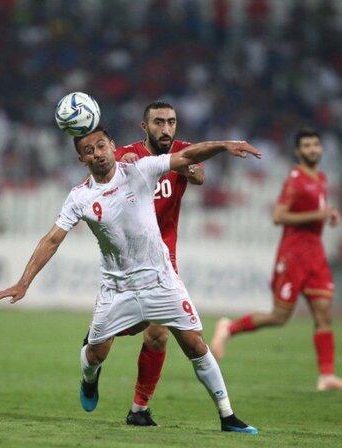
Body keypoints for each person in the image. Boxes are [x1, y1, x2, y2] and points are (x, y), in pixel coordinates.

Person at [0, 126, 260, 434]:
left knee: (195, 344)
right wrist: (23, 283)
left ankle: (227, 416)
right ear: (81, 159)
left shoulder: (140, 170)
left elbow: (187, 156)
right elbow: (52, 239)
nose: (97, 154)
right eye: (88, 151)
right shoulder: (79, 197)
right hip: (117, 289)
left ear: (112, 146)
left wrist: (224, 145)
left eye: (100, 146)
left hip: (161, 281)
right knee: (96, 354)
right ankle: (89, 379)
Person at [211, 129, 342, 392]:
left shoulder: (321, 178)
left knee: (324, 314)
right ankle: (229, 328)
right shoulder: (295, 180)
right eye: (307, 146)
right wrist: (318, 215)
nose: (312, 149)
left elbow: (318, 212)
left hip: (316, 255)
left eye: (316, 144)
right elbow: (278, 216)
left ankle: (327, 375)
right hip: (293, 255)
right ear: (298, 152)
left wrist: (328, 215)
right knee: (279, 317)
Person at [113, 101, 204, 426]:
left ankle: (139, 409)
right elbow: (101, 175)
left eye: (171, 122)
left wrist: (187, 167)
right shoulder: (127, 153)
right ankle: (104, 332)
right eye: (159, 122)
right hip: (129, 257)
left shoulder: (183, 151)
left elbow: (199, 175)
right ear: (145, 126)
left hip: (164, 257)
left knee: (159, 335)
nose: (166, 129)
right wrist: (121, 165)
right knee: (117, 332)